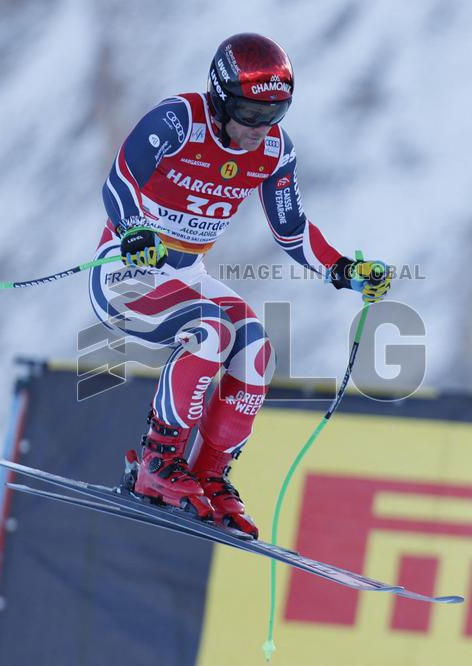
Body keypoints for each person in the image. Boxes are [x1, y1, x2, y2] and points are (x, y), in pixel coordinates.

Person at [88, 33, 391, 538]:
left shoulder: (273, 150)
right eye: (249, 113)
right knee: (210, 331)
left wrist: (343, 270)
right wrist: (133, 231)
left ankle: (206, 474)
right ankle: (158, 463)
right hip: (126, 273)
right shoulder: (179, 120)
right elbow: (119, 181)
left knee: (256, 349)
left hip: (186, 275)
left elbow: (291, 230)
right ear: (220, 98)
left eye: (275, 113)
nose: (259, 128)